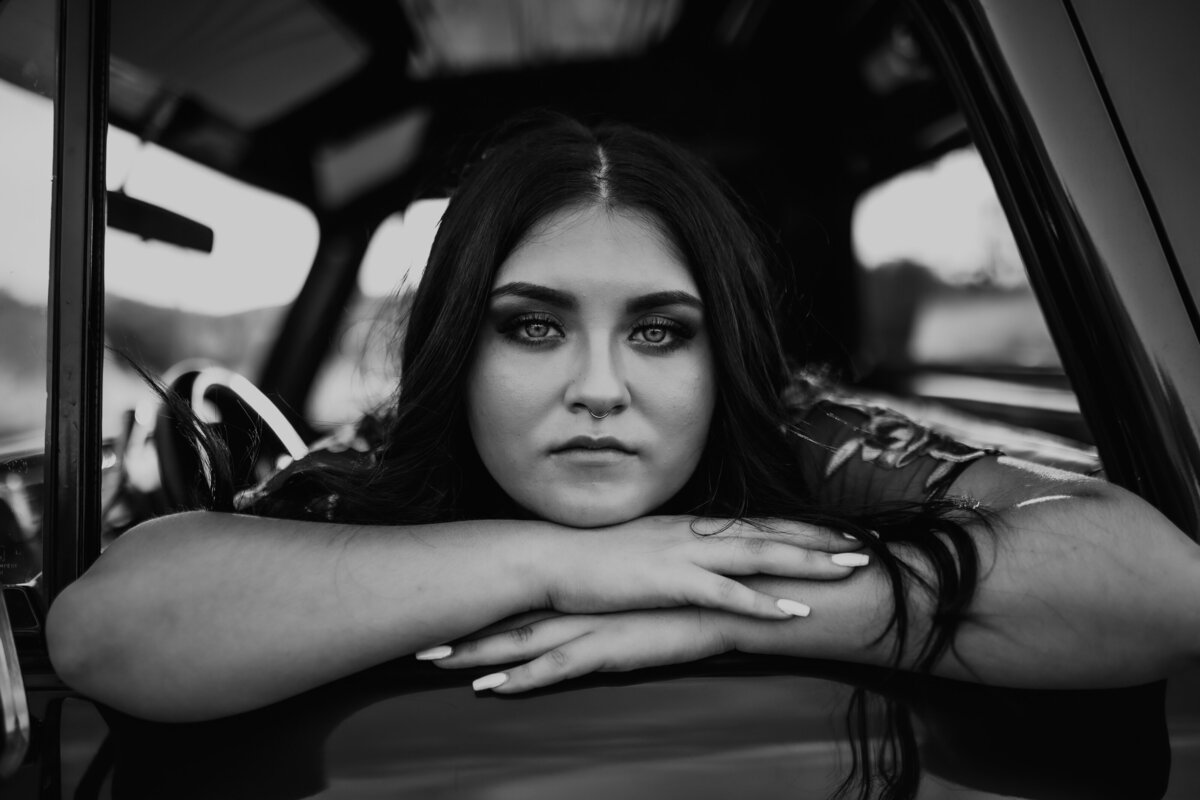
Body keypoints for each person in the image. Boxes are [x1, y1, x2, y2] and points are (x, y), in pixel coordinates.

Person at [45, 112, 1200, 724]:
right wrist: (563, 563)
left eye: (660, 331)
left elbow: (1159, 587)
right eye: (533, 326)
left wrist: (736, 614)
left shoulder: (802, 429)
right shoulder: (395, 453)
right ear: (459, 346)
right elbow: (108, 631)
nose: (600, 386)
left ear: (724, 353)